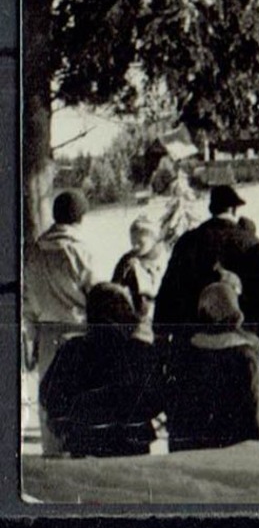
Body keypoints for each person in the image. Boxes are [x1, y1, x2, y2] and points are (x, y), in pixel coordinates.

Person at [39, 283, 164, 458]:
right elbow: (156, 399)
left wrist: (68, 423)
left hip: (83, 442)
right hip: (131, 445)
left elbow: (49, 396)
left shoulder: (72, 350)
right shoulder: (139, 350)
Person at [164, 280, 259, 452]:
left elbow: (178, 417)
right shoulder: (245, 357)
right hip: (239, 455)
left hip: (196, 455)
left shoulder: (189, 354)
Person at [25, 190, 98, 454]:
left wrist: (31, 338)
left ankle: (52, 458)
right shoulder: (81, 251)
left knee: (49, 399)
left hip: (46, 335)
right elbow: (96, 295)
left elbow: (28, 301)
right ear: (79, 217)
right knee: (78, 401)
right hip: (78, 335)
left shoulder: (34, 252)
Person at [154, 184, 259, 332]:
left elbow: (169, 290)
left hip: (194, 336)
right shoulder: (250, 243)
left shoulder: (189, 241)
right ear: (233, 209)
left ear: (211, 209)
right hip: (241, 336)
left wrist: (160, 330)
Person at [112, 217, 165, 343]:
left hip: (156, 318)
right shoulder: (127, 260)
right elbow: (114, 286)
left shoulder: (163, 258)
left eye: (140, 242)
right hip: (132, 319)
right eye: (132, 242)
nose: (135, 246)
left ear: (153, 239)